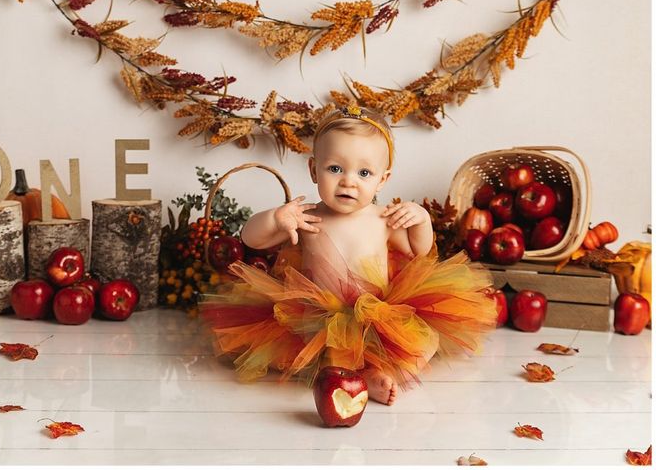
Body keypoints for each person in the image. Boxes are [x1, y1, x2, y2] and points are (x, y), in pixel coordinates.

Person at [201, 105, 496, 406]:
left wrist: (421, 220)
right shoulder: (307, 216)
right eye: (335, 169)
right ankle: (351, 377)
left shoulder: (384, 219)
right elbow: (252, 238)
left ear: (382, 179)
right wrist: (277, 218)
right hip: (315, 318)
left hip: (380, 314)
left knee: (424, 344)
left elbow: (419, 252)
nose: (348, 181)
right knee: (310, 352)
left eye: (364, 172)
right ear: (314, 170)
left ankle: (382, 371)